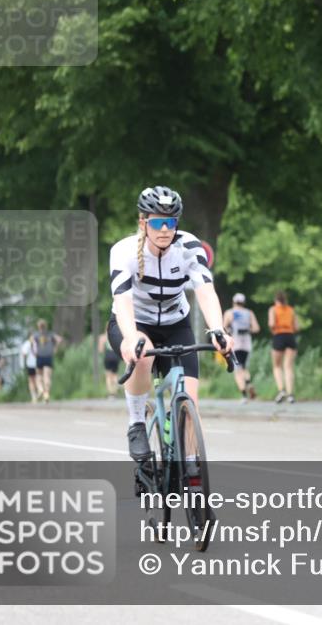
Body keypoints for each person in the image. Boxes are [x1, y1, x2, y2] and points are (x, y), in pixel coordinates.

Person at [107, 186, 234, 476]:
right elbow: (122, 302)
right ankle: (137, 422)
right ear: (143, 223)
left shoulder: (189, 247)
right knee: (142, 355)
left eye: (171, 222)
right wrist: (131, 337)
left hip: (177, 324)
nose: (164, 229)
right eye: (156, 222)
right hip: (134, 322)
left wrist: (218, 329)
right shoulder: (123, 251)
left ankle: (192, 476)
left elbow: (205, 291)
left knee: (191, 399)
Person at [223, 293, 261, 403]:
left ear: (234, 302)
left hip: (235, 343)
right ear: (243, 302)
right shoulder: (249, 313)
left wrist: (229, 331)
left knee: (237, 370)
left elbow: (223, 328)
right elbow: (256, 328)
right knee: (244, 367)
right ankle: (249, 383)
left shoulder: (230, 313)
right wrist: (247, 329)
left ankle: (244, 395)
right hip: (247, 344)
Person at [268, 290, 299, 404]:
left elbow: (271, 323)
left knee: (277, 366)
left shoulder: (273, 309)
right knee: (289, 367)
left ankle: (281, 390)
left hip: (279, 336)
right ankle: (290, 394)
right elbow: (297, 327)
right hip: (290, 336)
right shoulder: (291, 310)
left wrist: (274, 329)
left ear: (276, 300)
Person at [30, 319, 63, 403]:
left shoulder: (36, 334)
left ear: (38, 326)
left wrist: (34, 352)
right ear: (46, 326)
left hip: (40, 356)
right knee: (47, 376)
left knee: (38, 376)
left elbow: (31, 341)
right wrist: (55, 348)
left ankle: (40, 389)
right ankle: (46, 394)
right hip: (49, 356)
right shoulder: (50, 334)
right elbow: (59, 339)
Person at [97, 334, 120, 400]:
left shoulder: (103, 337)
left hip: (108, 356)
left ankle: (111, 393)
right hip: (115, 356)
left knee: (108, 375)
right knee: (115, 375)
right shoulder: (116, 336)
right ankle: (115, 392)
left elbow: (100, 350)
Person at [20, 336, 39, 403]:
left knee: (31, 381)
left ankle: (34, 396)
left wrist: (23, 364)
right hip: (38, 364)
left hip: (30, 364)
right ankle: (39, 392)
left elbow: (24, 354)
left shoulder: (27, 343)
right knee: (37, 379)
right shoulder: (38, 342)